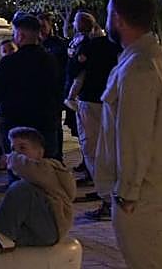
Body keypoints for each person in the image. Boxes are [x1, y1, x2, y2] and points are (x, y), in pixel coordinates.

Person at [96, 0, 162, 269]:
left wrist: (127, 193)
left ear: (118, 19)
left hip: (141, 198)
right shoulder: (157, 60)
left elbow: (134, 137)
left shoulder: (138, 67)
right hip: (154, 191)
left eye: (109, 13)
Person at [0, 126, 76, 253]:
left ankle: (3, 235)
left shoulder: (48, 168)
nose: (16, 153)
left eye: (23, 148)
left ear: (40, 152)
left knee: (21, 188)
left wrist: (10, 158)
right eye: (13, 149)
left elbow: (30, 169)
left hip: (52, 229)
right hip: (36, 231)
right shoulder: (32, 177)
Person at [66, 11, 121, 218]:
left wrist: (70, 95)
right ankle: (110, 193)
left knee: (91, 148)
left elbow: (75, 72)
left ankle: (106, 197)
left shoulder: (85, 46)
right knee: (110, 147)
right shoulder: (113, 45)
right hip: (111, 101)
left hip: (90, 101)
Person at [0, 14, 60, 159]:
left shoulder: (9, 62)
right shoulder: (50, 60)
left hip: (15, 122)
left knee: (17, 165)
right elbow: (57, 89)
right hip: (44, 121)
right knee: (45, 165)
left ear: (20, 35)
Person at [38, 12, 69, 166]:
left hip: (54, 91)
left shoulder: (58, 45)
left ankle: (57, 158)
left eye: (43, 26)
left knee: (55, 125)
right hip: (40, 92)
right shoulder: (36, 45)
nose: (41, 30)